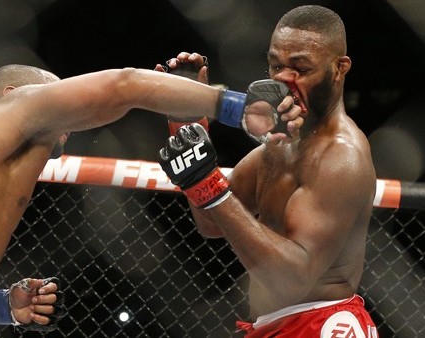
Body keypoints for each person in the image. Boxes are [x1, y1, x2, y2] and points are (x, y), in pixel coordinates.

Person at [0, 62, 284, 337]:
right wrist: (231, 105)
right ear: (14, 95)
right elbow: (124, 85)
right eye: (57, 99)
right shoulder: (3, 115)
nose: (70, 120)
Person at [157, 5, 379, 337]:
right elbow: (211, 221)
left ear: (339, 68)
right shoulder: (277, 146)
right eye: (276, 65)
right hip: (274, 326)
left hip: (319, 324)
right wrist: (187, 126)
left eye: (301, 69)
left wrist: (211, 184)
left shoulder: (340, 157)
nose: (283, 80)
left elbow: (292, 278)